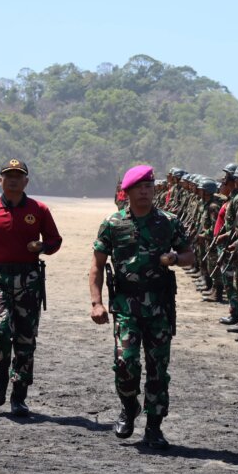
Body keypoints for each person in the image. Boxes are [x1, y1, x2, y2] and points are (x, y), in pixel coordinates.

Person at [89, 164, 194, 449]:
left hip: (159, 306)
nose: (145, 192)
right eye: (139, 188)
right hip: (126, 305)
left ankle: (154, 427)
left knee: (158, 368)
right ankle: (129, 406)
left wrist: (175, 258)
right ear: (127, 192)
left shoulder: (169, 222)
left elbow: (190, 256)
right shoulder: (113, 224)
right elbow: (97, 266)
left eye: (149, 187)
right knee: (126, 362)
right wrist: (97, 303)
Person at [0, 159, 62, 417]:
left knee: (25, 339)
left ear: (26, 181)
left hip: (28, 280)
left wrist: (42, 247)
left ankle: (19, 395)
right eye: (9, 176)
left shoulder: (39, 210)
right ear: (0, 181)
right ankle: (0, 378)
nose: (13, 180)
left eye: (18, 176)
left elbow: (55, 240)